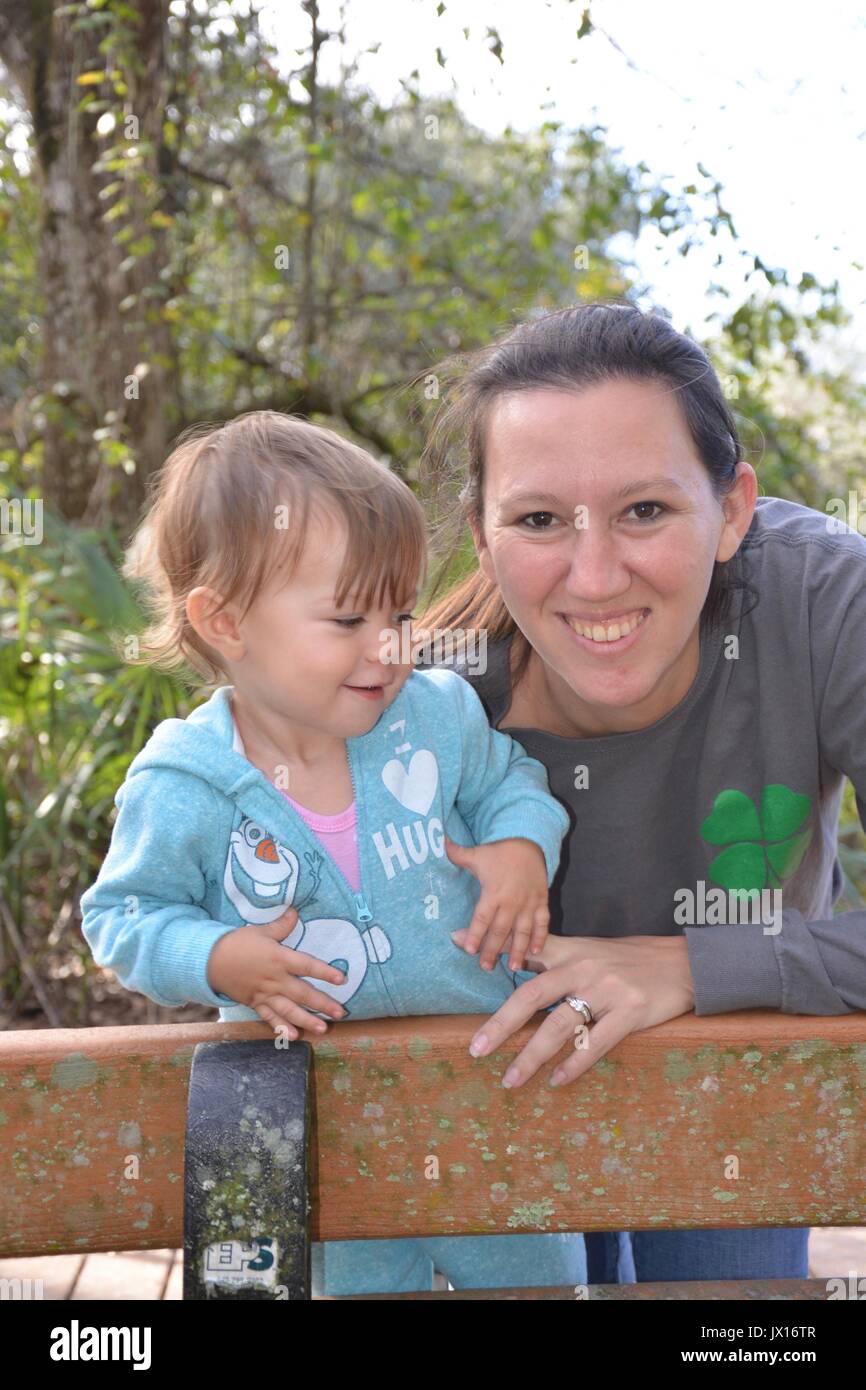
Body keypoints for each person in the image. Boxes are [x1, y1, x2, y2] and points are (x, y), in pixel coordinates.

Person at [79, 409, 585, 1296]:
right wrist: (217, 957)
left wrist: (518, 848)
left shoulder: (434, 715)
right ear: (224, 621)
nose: (387, 647)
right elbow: (121, 916)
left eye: (398, 611)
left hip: (488, 1105)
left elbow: (512, 782)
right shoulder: (186, 783)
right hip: (310, 1130)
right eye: (348, 617)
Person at [417, 299, 866, 1284]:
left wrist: (696, 966)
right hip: (500, 1094)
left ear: (731, 510)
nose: (593, 573)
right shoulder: (418, 703)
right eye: (538, 519)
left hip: (734, 1087)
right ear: (483, 540)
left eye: (644, 510)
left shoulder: (825, 601)